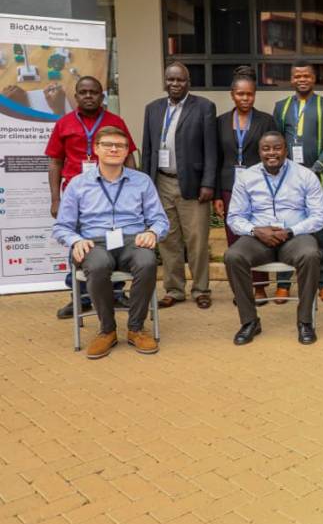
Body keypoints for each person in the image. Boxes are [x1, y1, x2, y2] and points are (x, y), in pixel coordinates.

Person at [52, 126, 170, 359]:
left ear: (127, 151)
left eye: (120, 145)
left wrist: (153, 233)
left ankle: (136, 328)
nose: (114, 149)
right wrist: (75, 240)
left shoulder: (142, 181)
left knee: (147, 260)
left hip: (131, 240)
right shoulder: (78, 184)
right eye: (108, 144)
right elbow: (62, 226)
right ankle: (107, 330)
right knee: (97, 265)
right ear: (96, 149)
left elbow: (159, 219)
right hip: (93, 242)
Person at [224, 132, 323, 346]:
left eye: (277, 148)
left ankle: (305, 321)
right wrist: (255, 230)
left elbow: (319, 216)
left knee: (310, 254)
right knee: (233, 256)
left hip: (294, 237)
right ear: (260, 151)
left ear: (285, 150)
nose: (272, 153)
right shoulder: (246, 177)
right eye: (266, 149)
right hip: (258, 238)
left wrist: (291, 231)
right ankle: (249, 321)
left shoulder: (305, 175)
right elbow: (234, 217)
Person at [46, 76, 137, 319]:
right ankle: (79, 298)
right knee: (77, 242)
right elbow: (55, 161)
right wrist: (56, 198)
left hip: (112, 191)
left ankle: (116, 293)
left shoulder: (115, 122)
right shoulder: (64, 124)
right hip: (77, 194)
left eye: (93, 92)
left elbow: (129, 157)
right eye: (83, 92)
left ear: (101, 95)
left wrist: (134, 188)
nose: (88, 96)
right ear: (76, 97)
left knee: (115, 238)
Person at [142, 62, 217, 310]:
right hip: (161, 182)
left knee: (196, 239)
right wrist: (146, 185)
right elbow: (149, 149)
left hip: (194, 185)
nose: (175, 84)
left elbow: (211, 149)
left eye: (180, 80)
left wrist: (208, 183)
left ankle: (201, 289)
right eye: (171, 80)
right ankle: (174, 289)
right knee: (167, 239)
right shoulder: (152, 109)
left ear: (188, 82)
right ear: (165, 82)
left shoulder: (204, 107)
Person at [272, 62, 323, 304]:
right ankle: (283, 283)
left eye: (307, 75)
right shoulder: (281, 107)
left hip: (320, 179)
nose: (302, 79)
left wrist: (314, 170)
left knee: (321, 234)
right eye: (297, 76)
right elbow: (276, 141)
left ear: (314, 78)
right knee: (285, 232)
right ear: (291, 79)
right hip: (287, 182)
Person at [212, 66, 278, 301]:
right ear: (232, 94)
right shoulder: (219, 122)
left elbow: (273, 156)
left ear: (254, 94)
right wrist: (217, 195)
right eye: (240, 94)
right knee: (234, 238)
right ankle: (240, 289)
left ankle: (259, 287)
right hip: (230, 188)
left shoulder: (266, 120)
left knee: (258, 236)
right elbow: (216, 158)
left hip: (258, 188)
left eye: (249, 94)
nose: (245, 98)